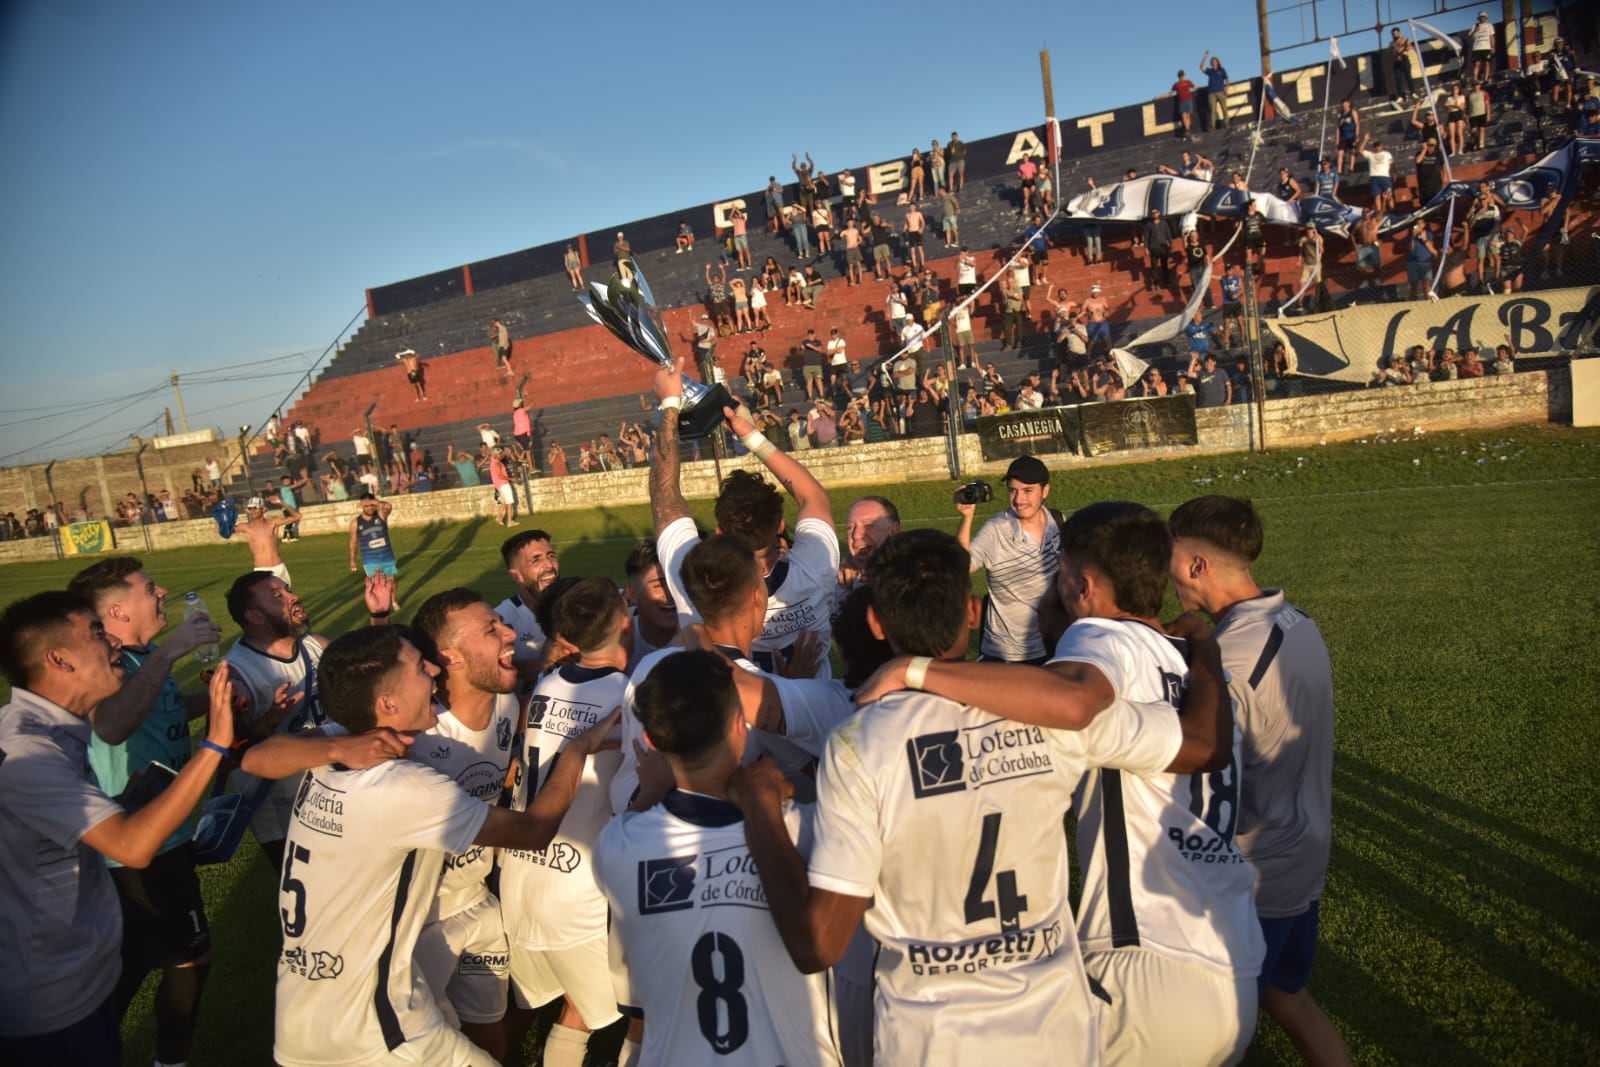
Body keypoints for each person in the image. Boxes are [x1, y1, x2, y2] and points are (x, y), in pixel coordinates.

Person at [731, 527, 1233, 1064]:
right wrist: (1203, 650)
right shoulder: (1049, 711)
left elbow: (818, 944)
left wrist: (761, 810)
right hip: (1056, 1034)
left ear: (876, 623)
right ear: (973, 612)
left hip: (930, 1043)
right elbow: (1205, 745)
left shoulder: (859, 742)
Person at [270, 625, 618, 1067]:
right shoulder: (403, 787)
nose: (433, 669)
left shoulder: (328, 753)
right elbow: (533, 831)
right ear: (388, 704)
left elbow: (258, 755)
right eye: (419, 667)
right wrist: (576, 750)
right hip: (373, 1028)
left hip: (303, 1008)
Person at [0, 591, 233, 1065]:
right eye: (95, 633)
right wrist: (215, 745)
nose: (111, 644)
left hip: (80, 984)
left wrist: (120, 803)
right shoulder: (28, 752)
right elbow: (132, 848)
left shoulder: (58, 732)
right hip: (51, 1005)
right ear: (58, 659)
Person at [1168, 496, 1354, 1067]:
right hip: (1303, 851)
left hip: (1256, 874)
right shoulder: (1298, 622)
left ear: (1199, 565)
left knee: (1206, 1034)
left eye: (1170, 557)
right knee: (1287, 996)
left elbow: (1198, 760)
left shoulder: (1233, 657)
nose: (1164, 571)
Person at [596, 650, 842, 1067]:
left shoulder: (617, 846)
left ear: (652, 742)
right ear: (739, 728)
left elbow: (628, 829)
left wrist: (653, 789)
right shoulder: (806, 830)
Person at [63, 560, 225, 1067]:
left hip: (165, 836)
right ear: (117, 609)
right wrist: (175, 649)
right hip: (132, 848)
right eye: (149, 588)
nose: (163, 591)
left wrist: (220, 700)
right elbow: (112, 724)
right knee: (173, 960)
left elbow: (163, 707)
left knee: (156, 960)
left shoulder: (142, 656)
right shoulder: (107, 666)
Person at [500, 579, 630, 1067]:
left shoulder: (549, 683)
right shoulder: (626, 696)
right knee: (631, 1020)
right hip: (578, 889)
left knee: (574, 1008)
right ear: (623, 621)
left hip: (524, 874)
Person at [648, 358, 839, 678]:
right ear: (780, 525)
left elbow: (665, 498)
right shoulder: (816, 567)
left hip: (738, 723)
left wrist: (670, 405)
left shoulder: (699, 585)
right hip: (815, 716)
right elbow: (812, 496)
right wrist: (751, 436)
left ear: (720, 533)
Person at [406, 589, 523, 1061]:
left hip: (477, 900)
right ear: (448, 656)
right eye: (491, 630)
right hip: (420, 923)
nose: (510, 632)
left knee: (489, 1037)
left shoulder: (507, 707)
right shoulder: (413, 734)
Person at [955, 454, 1061, 664]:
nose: (1019, 499)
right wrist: (966, 518)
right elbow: (960, 567)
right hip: (1005, 654)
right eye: (1013, 491)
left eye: (1027, 491)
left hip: (1051, 647)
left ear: (1045, 491)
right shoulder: (997, 530)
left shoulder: (1057, 522)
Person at [495, 528, 561, 681]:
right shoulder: (503, 620)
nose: (549, 565)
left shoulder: (576, 603)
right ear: (516, 576)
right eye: (536, 560)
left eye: (551, 556)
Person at [349, 492, 398, 579]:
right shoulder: (355, 522)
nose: (370, 508)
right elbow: (353, 542)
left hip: (387, 557)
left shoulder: (381, 515)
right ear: (362, 506)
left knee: (391, 584)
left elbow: (388, 506)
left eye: (372, 505)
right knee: (375, 586)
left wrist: (373, 501)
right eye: (366, 506)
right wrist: (352, 559)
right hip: (370, 560)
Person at [489, 445, 519, 527]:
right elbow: (500, 475)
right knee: (509, 503)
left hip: (499, 485)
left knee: (504, 502)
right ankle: (510, 521)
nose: (501, 455)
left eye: (501, 453)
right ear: (495, 455)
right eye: (499, 454)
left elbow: (491, 453)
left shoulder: (493, 461)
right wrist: (511, 479)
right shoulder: (498, 463)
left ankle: (499, 517)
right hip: (504, 484)